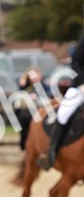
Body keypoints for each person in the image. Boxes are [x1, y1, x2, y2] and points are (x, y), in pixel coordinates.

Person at [38, 29, 84, 170]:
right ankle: (51, 153)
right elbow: (76, 60)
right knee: (63, 113)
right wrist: (82, 82)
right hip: (81, 87)